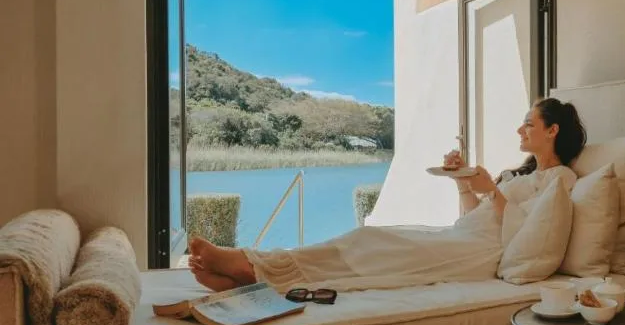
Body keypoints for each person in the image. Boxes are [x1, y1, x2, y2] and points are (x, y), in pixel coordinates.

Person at [189, 98, 587, 293]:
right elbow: (472, 217)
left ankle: (254, 271)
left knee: (370, 242)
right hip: (462, 238)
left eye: (528, 123)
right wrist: (464, 182)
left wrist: (492, 193)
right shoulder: (517, 174)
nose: (520, 130)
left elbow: (527, 237)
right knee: (369, 238)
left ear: (552, 131)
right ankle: (257, 272)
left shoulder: (561, 181)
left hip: (479, 256)